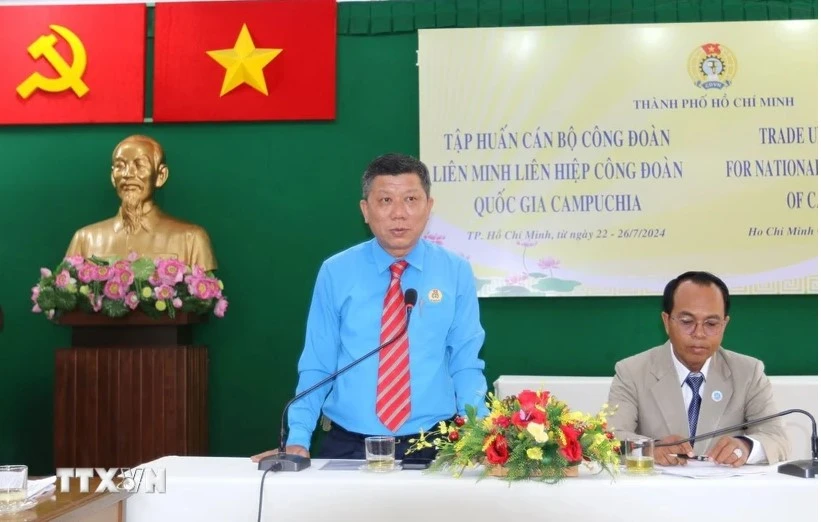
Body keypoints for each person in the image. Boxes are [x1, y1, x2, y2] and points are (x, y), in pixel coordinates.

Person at [252, 153, 489, 462]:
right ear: (365, 210)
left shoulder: (455, 272)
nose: (399, 213)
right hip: (348, 444)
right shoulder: (336, 272)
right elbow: (318, 363)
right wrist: (298, 436)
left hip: (434, 443)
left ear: (429, 207)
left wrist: (481, 434)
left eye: (411, 199)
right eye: (385, 200)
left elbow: (465, 363)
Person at [607, 271, 789, 467]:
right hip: (657, 492)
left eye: (711, 323)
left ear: (724, 324)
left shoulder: (748, 372)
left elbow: (776, 438)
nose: (699, 333)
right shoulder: (632, 372)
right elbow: (609, 438)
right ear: (667, 322)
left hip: (726, 493)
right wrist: (652, 448)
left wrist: (745, 446)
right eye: (687, 322)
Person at [66, 135, 217, 271]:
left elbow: (204, 299)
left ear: (160, 176)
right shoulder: (85, 239)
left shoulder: (192, 239)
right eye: (120, 166)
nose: (128, 174)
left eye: (140, 166)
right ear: (113, 176)